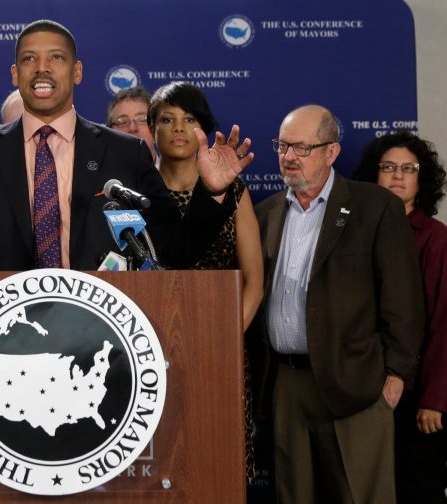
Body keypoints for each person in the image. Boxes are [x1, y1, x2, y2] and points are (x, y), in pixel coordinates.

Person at [0, 19, 252, 272]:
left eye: (55, 58)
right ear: (14, 73)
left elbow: (172, 253)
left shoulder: (126, 153)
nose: (41, 68)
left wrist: (211, 192)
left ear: (76, 72)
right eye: (28, 59)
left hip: (103, 337)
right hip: (6, 337)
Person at [251, 104, 424, 503]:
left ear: (331, 152)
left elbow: (403, 298)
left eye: (301, 147)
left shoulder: (375, 207)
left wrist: (396, 373)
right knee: (294, 495)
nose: (288, 156)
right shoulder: (264, 215)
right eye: (282, 146)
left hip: (357, 384)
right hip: (286, 384)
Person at [353, 131, 447, 504]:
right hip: (362, 390)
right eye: (388, 167)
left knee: (416, 490)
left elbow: (444, 323)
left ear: (421, 179)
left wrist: (435, 399)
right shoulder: (355, 234)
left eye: (408, 168)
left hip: (417, 397)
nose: (397, 176)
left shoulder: (435, 239)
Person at [148, 81, 262, 329]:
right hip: (149, 338)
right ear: (151, 128)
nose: (178, 128)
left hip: (221, 332)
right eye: (167, 120)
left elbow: (254, 284)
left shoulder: (232, 191)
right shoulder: (135, 191)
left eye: (189, 120)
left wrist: (227, 339)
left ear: (204, 128)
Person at [106, 86, 157, 161]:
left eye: (142, 119)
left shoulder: (176, 172)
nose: (132, 128)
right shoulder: (95, 172)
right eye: (122, 122)